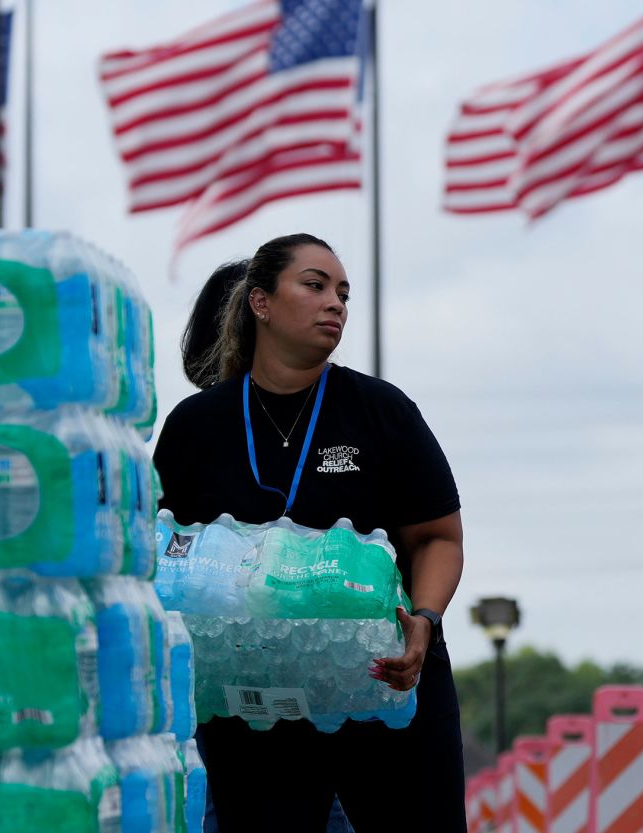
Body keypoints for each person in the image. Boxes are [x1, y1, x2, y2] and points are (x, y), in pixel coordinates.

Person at [154, 233, 466, 832]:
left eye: (343, 293)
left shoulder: (382, 410)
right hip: (254, 708)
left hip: (385, 686)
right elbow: (167, 554)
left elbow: (437, 538)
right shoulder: (196, 426)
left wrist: (423, 620)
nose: (336, 304)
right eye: (315, 285)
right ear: (261, 303)